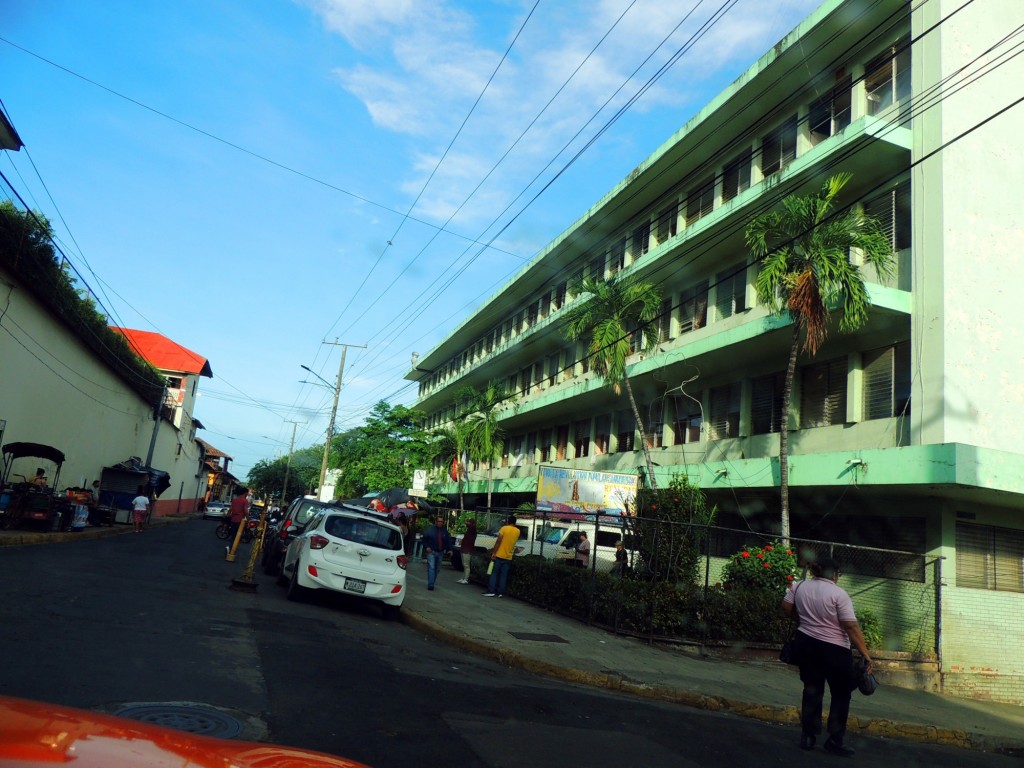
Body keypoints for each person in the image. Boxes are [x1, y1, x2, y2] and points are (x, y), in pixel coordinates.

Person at [782, 557, 873, 756]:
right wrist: (865, 654)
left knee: (812, 690)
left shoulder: (800, 586)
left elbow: (787, 608)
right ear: (833, 574)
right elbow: (850, 626)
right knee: (841, 694)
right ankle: (835, 739)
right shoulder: (839, 594)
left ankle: (808, 736)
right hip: (835, 651)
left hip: (805, 645)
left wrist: (804, 622)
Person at [484, 515, 520, 597]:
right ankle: (500, 592)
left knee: (494, 573)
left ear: (508, 521)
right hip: (509, 556)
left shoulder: (504, 528)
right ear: (515, 522)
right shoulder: (518, 531)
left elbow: (498, 541)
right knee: (503, 575)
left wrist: (494, 552)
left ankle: (491, 591)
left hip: (499, 554)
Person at [420, 514, 454, 591]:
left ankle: (432, 581)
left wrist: (450, 549)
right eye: (439, 521)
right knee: (431, 568)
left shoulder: (444, 531)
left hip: (440, 552)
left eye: (441, 522)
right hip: (432, 551)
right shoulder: (430, 530)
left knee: (437, 569)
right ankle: (431, 584)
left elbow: (448, 541)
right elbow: (424, 539)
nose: (440, 523)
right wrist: (427, 547)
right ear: (436, 522)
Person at [457, 517, 477, 584]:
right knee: (464, 564)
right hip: (464, 548)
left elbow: (471, 526)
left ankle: (466, 579)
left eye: (469, 522)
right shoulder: (469, 530)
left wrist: (467, 523)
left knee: (466, 565)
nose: (467, 523)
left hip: (467, 549)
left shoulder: (473, 529)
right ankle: (464, 578)